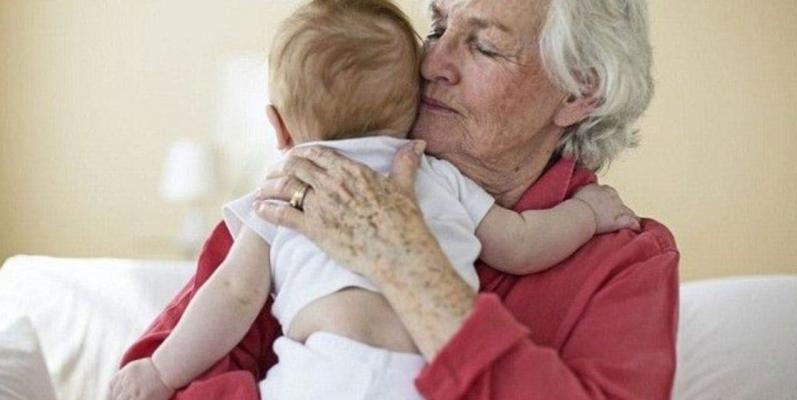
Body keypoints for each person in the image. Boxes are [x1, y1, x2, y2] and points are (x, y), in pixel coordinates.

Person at [115, 0, 679, 399]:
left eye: (484, 46)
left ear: (579, 90)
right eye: (437, 27)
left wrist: (409, 267)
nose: (431, 64)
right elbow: (160, 379)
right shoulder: (310, 188)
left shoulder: (626, 262)